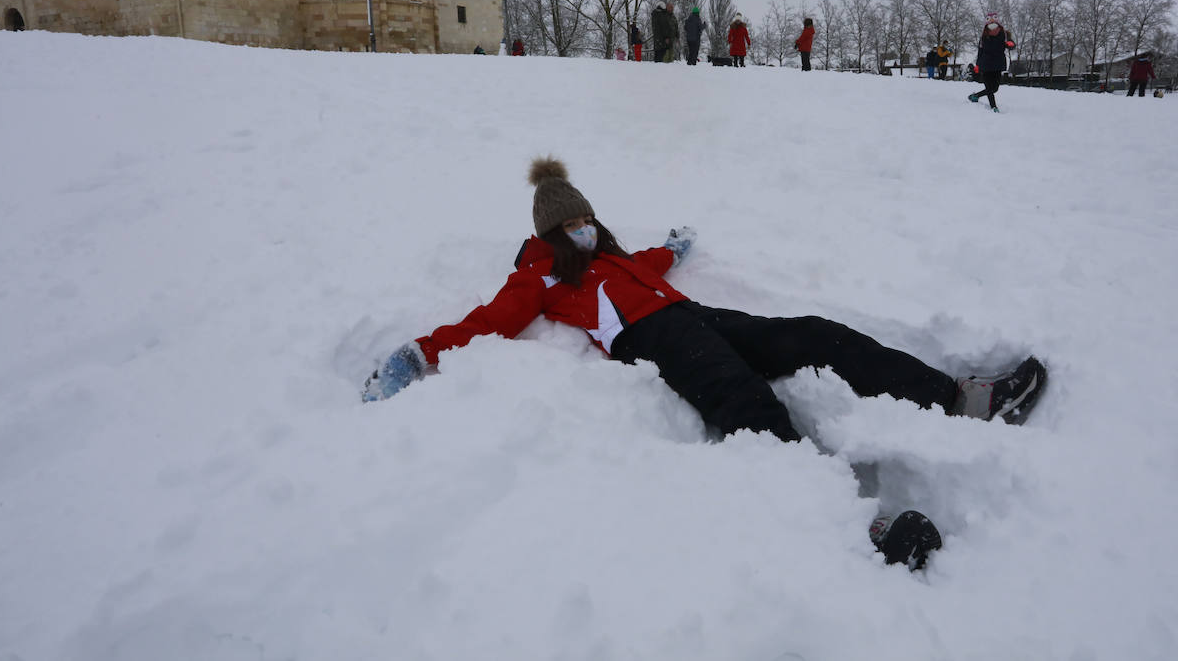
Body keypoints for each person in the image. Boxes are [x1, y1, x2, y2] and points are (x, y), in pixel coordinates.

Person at [362, 157, 1049, 570]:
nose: (586, 230)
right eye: (573, 225)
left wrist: (674, 246)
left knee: (813, 332)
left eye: (589, 222)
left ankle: (957, 398)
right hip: (654, 340)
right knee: (743, 401)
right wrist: (420, 352)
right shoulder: (540, 277)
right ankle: (858, 526)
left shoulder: (612, 256)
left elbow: (652, 263)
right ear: (549, 233)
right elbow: (489, 322)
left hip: (696, 317)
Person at [968, 20, 1013, 112]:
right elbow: (980, 52)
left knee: (994, 89)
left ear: (999, 27)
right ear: (987, 28)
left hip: (998, 64)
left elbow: (1011, 45)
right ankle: (994, 107)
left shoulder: (1004, 35)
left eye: (995, 27)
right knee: (989, 88)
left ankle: (975, 96)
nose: (993, 30)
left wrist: (1011, 45)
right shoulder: (983, 38)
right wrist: (977, 65)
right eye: (990, 28)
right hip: (986, 65)